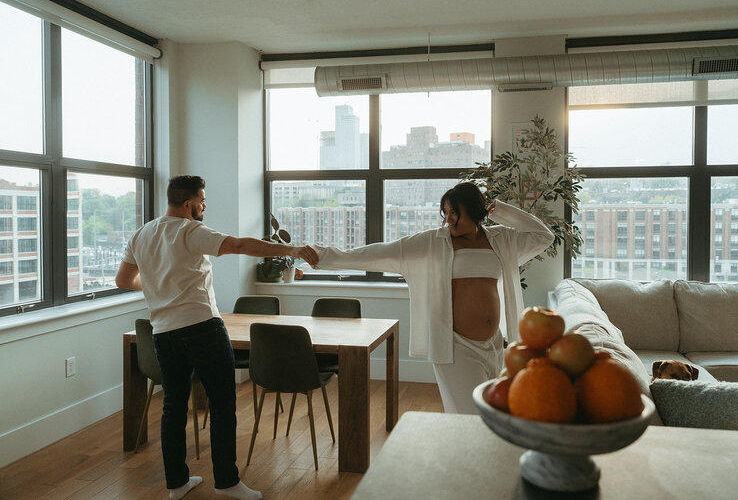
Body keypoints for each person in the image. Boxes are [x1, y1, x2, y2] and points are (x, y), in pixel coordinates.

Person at [115, 175, 318, 500]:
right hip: (202, 328)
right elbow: (240, 245)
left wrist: (155, 283)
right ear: (188, 204)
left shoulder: (142, 234)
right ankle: (226, 482)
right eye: (202, 201)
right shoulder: (190, 230)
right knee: (222, 404)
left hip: (163, 333)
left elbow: (124, 280)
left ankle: (177, 484)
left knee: (173, 407)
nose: (204, 206)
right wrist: (292, 249)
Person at [313, 182, 554, 414]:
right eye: (446, 213)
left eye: (454, 212)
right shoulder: (434, 242)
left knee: (491, 415)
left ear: (473, 209)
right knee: (470, 417)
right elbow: (378, 253)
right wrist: (321, 257)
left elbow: (544, 236)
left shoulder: (501, 239)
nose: (448, 219)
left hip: (493, 345)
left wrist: (499, 210)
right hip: (456, 347)